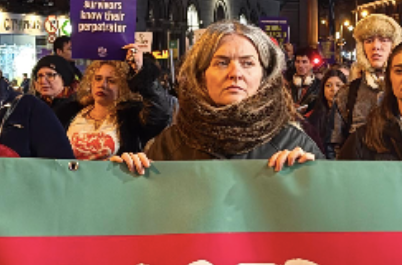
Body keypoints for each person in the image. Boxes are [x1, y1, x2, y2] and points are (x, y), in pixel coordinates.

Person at [112, 21, 320, 171]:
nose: (235, 73)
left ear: (265, 74)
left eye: (247, 63)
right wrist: (130, 180)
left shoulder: (294, 143)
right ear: (201, 74)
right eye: (222, 62)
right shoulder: (168, 146)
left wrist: (313, 177)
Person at [64, 44, 172, 158]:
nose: (102, 85)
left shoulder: (132, 117)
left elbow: (160, 113)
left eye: (111, 81)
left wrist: (142, 73)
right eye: (98, 78)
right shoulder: (69, 112)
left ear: (123, 86)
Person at [335, 13, 402, 151]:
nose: (376, 46)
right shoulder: (347, 93)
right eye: (369, 40)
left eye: (384, 39)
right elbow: (334, 143)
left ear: (393, 46)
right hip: (358, 169)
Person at [301, 68, 347, 158]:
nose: (333, 89)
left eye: (338, 85)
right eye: (328, 85)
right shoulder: (313, 117)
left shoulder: (350, 116)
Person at [30, 53, 84, 129]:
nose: (43, 81)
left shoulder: (78, 108)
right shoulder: (35, 106)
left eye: (50, 75)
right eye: (40, 76)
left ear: (64, 79)